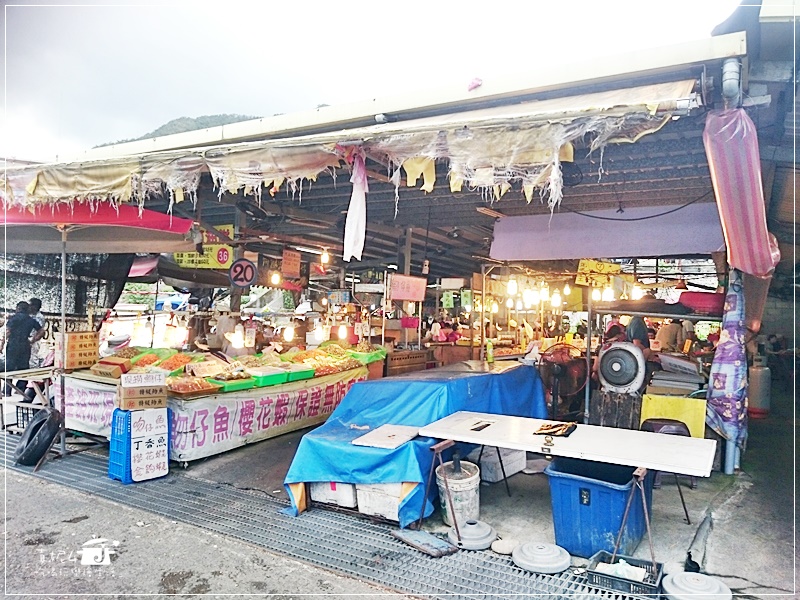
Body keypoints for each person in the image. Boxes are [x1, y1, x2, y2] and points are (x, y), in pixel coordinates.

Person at [3, 301, 45, 398]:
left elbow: (8, 331)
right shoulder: (31, 320)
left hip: (13, 344)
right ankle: (20, 388)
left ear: (18, 308)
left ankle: (7, 391)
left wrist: (2, 343)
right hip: (25, 344)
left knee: (9, 367)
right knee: (24, 367)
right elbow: (41, 331)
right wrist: (33, 340)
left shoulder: (14, 318)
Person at [28, 298, 46, 368]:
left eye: (30, 305)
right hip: (29, 339)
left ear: (34, 306)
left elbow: (39, 331)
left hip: (34, 340)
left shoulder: (39, 317)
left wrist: (32, 340)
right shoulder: (31, 316)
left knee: (33, 358)